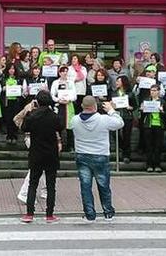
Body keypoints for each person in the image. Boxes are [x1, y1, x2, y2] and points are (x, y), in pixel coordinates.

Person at [71, 96, 123, 222]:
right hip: (100, 155)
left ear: (82, 106)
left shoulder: (74, 120)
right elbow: (120, 123)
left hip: (82, 154)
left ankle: (90, 214)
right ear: (95, 106)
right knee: (104, 185)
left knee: (85, 186)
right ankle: (108, 212)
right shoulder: (103, 119)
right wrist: (111, 110)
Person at [19, 90, 62, 224]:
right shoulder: (54, 116)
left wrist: (28, 112)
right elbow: (60, 127)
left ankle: (29, 213)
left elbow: (24, 128)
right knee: (50, 185)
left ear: (37, 101)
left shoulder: (32, 116)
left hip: (36, 152)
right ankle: (50, 214)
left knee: (33, 184)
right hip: (51, 153)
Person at [139, 84, 166, 173]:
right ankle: (149, 165)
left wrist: (162, 111)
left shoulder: (162, 101)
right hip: (148, 125)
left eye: (154, 90)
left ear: (158, 91)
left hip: (159, 125)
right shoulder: (146, 100)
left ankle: (157, 165)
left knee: (158, 146)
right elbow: (142, 115)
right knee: (149, 146)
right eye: (151, 90)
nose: (152, 92)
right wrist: (142, 109)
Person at [51, 66, 76, 152]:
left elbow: (74, 95)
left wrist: (69, 99)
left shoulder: (71, 82)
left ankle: (70, 146)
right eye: (63, 71)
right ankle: (58, 144)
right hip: (59, 105)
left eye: (66, 71)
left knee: (70, 126)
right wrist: (58, 100)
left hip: (68, 105)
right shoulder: (55, 82)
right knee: (58, 125)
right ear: (59, 73)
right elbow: (52, 95)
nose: (65, 73)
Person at [113, 75, 135, 164]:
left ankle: (126, 155)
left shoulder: (130, 93)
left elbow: (135, 106)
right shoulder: (114, 93)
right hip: (116, 115)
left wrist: (131, 107)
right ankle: (122, 147)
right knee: (114, 133)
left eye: (118, 81)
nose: (116, 83)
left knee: (127, 136)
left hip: (127, 116)